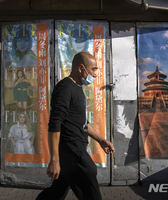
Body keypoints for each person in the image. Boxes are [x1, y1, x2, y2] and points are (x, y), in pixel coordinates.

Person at [36, 52, 115, 200]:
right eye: (93, 69)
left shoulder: (77, 88)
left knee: (56, 193)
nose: (96, 74)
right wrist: (54, 159)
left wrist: (101, 140)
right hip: (72, 150)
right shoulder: (65, 88)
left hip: (74, 150)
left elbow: (83, 122)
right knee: (91, 182)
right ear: (81, 68)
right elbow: (55, 123)